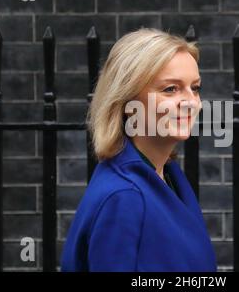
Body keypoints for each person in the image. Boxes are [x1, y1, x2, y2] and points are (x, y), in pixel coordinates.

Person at [60, 28, 217, 272]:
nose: (191, 102)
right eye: (170, 89)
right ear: (128, 101)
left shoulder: (167, 174)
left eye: (194, 88)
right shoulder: (124, 196)